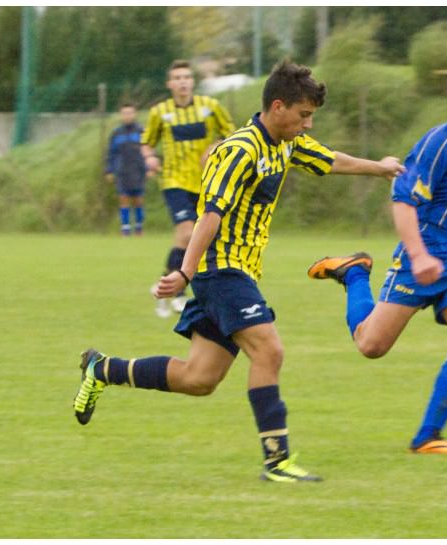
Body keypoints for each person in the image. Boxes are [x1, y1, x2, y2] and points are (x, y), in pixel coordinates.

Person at [72, 60, 405, 483]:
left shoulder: (286, 143)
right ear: (279, 106)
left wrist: (380, 166)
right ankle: (277, 460)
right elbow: (208, 217)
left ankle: (102, 369)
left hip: (240, 273)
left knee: (199, 378)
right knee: (270, 351)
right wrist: (186, 273)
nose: (307, 125)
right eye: (304, 115)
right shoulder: (239, 151)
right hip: (220, 272)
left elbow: (329, 160)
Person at [307, 55, 447, 455]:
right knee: (371, 345)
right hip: (425, 254)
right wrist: (418, 256)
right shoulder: (441, 141)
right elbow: (403, 201)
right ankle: (354, 273)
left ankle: (428, 436)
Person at [141, 59, 235, 317]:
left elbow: (232, 134)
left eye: (186, 77)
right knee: (186, 234)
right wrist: (149, 157)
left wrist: (215, 145)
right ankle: (179, 291)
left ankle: (164, 283)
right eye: (177, 78)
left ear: (192, 81)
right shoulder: (159, 112)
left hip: (205, 182)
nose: (182, 81)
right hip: (174, 181)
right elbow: (147, 142)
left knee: (198, 238)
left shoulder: (211, 107)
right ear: (170, 84)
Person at [105, 103, 148, 236]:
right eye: (125, 113)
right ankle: (125, 228)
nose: (127, 115)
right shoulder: (116, 133)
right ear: (121, 115)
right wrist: (109, 170)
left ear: (135, 114)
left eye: (130, 113)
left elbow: (148, 150)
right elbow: (111, 153)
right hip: (122, 171)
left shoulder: (141, 131)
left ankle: (139, 227)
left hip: (138, 170)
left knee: (138, 200)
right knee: (123, 198)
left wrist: (148, 167)